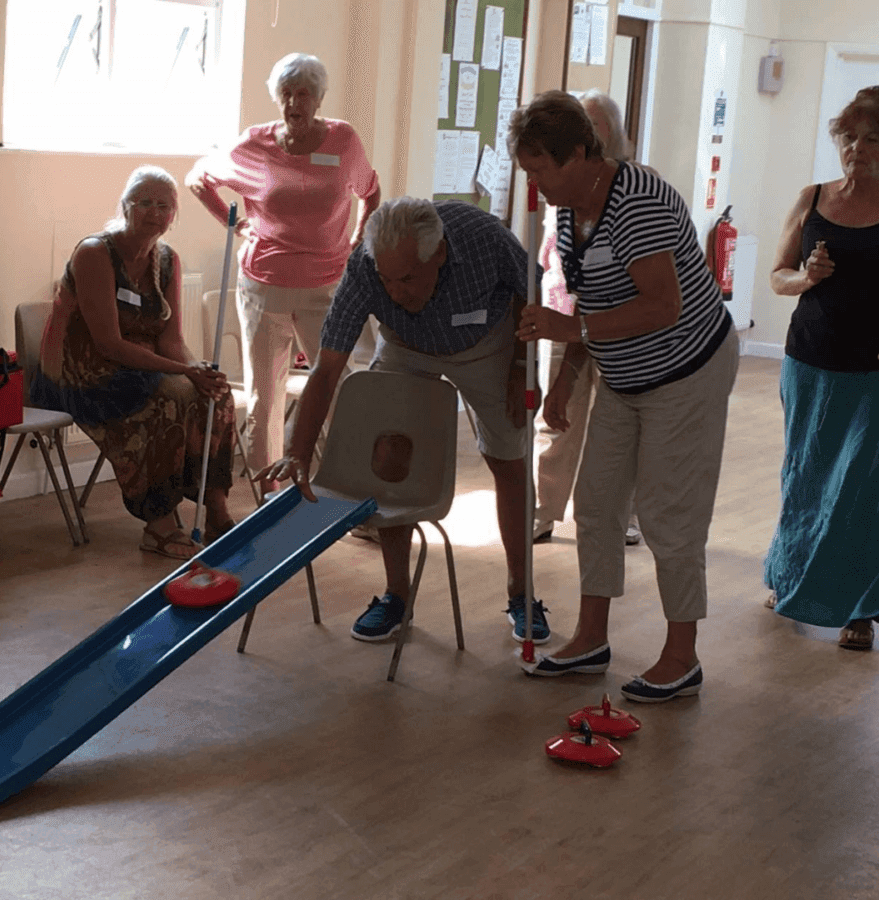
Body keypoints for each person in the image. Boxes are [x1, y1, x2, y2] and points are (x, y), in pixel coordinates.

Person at [509, 91, 738, 701]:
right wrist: (563, 381)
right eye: (527, 171)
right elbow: (591, 300)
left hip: (688, 370)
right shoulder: (569, 209)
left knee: (669, 512)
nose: (534, 184)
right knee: (597, 501)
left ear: (580, 154)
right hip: (623, 374)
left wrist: (568, 330)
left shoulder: (638, 200)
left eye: (539, 170)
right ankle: (590, 639)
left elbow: (665, 305)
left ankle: (682, 656)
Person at [258, 196, 548, 645]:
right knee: (388, 453)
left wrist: (521, 366)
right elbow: (327, 368)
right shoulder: (364, 268)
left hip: (486, 341)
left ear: (440, 254)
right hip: (406, 345)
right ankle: (396, 594)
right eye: (387, 279)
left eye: (409, 278)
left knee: (509, 458)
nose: (396, 291)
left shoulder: (483, 238)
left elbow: (532, 290)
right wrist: (297, 452)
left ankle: (522, 592)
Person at [186, 52, 381, 488]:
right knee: (265, 397)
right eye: (286, 95)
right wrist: (232, 222)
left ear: (319, 98)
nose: (294, 103)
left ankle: (345, 482)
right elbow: (198, 178)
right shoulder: (255, 145)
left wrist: (359, 239)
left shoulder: (343, 141)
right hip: (263, 286)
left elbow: (370, 190)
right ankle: (268, 492)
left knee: (335, 388)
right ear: (278, 99)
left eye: (304, 94)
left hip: (325, 288)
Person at [33, 166, 236, 560]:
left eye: (164, 205)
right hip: (80, 371)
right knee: (167, 397)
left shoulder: (167, 260)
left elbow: (172, 340)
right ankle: (159, 522)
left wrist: (199, 372)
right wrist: (182, 373)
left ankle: (217, 511)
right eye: (144, 202)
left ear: (173, 216)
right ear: (125, 207)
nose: (154, 212)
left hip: (142, 366)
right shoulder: (95, 253)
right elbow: (107, 343)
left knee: (215, 396)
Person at [763, 86, 879, 650]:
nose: (858, 148)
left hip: (873, 374)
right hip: (810, 363)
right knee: (804, 476)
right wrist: (807, 277)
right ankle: (787, 578)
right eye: (850, 137)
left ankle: (860, 607)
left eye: (873, 138)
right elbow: (777, 276)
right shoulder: (813, 198)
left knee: (863, 488)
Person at [534, 90, 643, 546]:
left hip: (620, 322)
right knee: (556, 417)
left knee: (619, 424)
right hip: (563, 310)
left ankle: (620, 517)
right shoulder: (559, 189)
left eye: (593, 124)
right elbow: (549, 253)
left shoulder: (635, 183)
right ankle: (543, 511)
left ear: (613, 132)